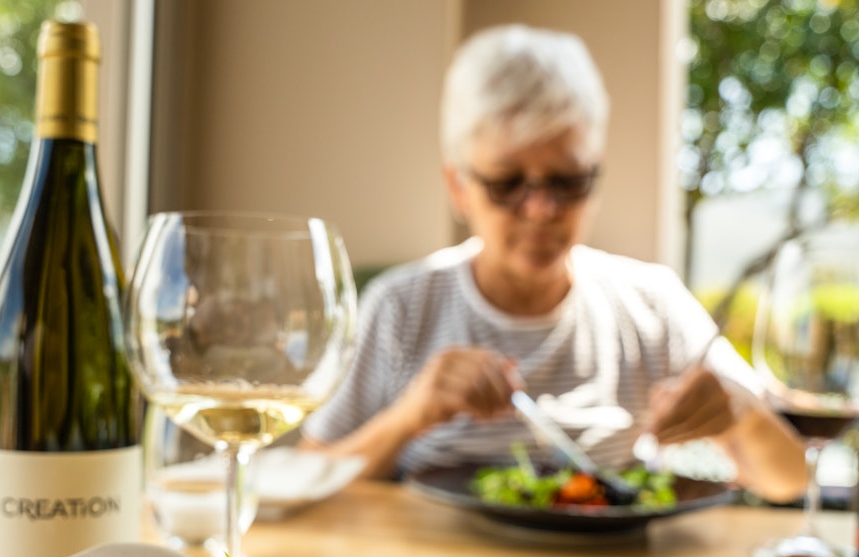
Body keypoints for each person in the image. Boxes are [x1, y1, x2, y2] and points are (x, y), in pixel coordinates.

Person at [301, 24, 806, 503]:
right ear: (458, 186)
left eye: (567, 181)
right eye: (506, 183)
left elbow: (789, 479)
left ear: (595, 177)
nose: (541, 210)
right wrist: (408, 417)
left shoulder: (650, 304)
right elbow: (309, 474)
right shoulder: (402, 307)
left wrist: (741, 412)